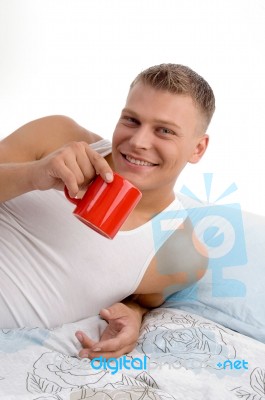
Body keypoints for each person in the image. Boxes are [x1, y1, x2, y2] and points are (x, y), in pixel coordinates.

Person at [0, 63, 215, 360]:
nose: (138, 142)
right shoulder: (56, 136)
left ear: (198, 149)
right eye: (131, 120)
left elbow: (140, 299)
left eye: (164, 131)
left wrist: (134, 313)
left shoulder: (181, 254)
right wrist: (33, 175)